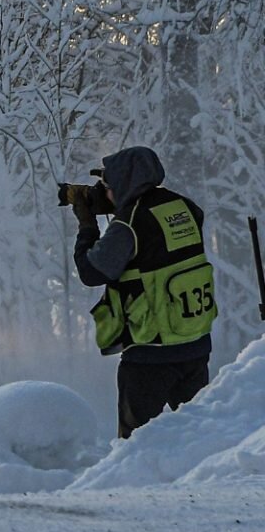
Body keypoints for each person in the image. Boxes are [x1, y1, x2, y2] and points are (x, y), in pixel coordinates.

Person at [73, 145, 217, 438]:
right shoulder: (185, 207)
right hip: (194, 343)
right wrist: (122, 203)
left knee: (134, 446)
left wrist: (87, 225)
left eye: (108, 187)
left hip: (150, 353)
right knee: (199, 437)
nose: (105, 193)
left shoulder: (129, 223)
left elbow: (92, 272)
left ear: (124, 183)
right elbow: (158, 246)